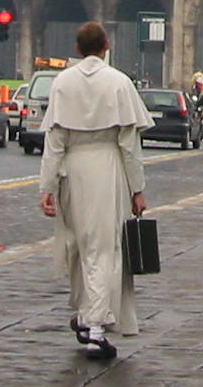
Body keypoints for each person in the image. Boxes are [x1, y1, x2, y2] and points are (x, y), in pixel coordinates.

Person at [39, 21, 151, 360]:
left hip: (72, 171)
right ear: (106, 47)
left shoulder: (62, 82)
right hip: (108, 168)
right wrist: (138, 189)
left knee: (79, 246)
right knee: (104, 251)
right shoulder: (119, 83)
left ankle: (86, 313)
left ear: (77, 49)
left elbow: (54, 141)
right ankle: (96, 329)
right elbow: (129, 145)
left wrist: (47, 187)